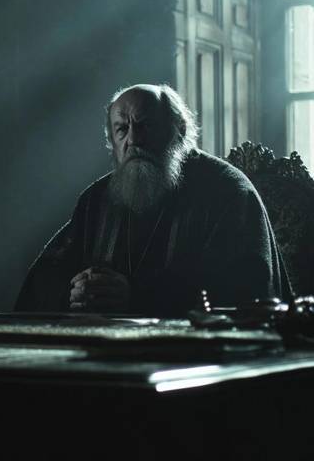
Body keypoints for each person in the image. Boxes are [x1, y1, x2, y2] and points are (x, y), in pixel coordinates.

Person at [15, 83, 292, 316]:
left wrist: (137, 296)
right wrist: (74, 292)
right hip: (103, 349)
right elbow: (45, 278)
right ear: (112, 141)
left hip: (196, 355)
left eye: (145, 125)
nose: (133, 139)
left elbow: (246, 290)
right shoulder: (96, 199)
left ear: (179, 130)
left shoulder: (228, 191)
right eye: (122, 129)